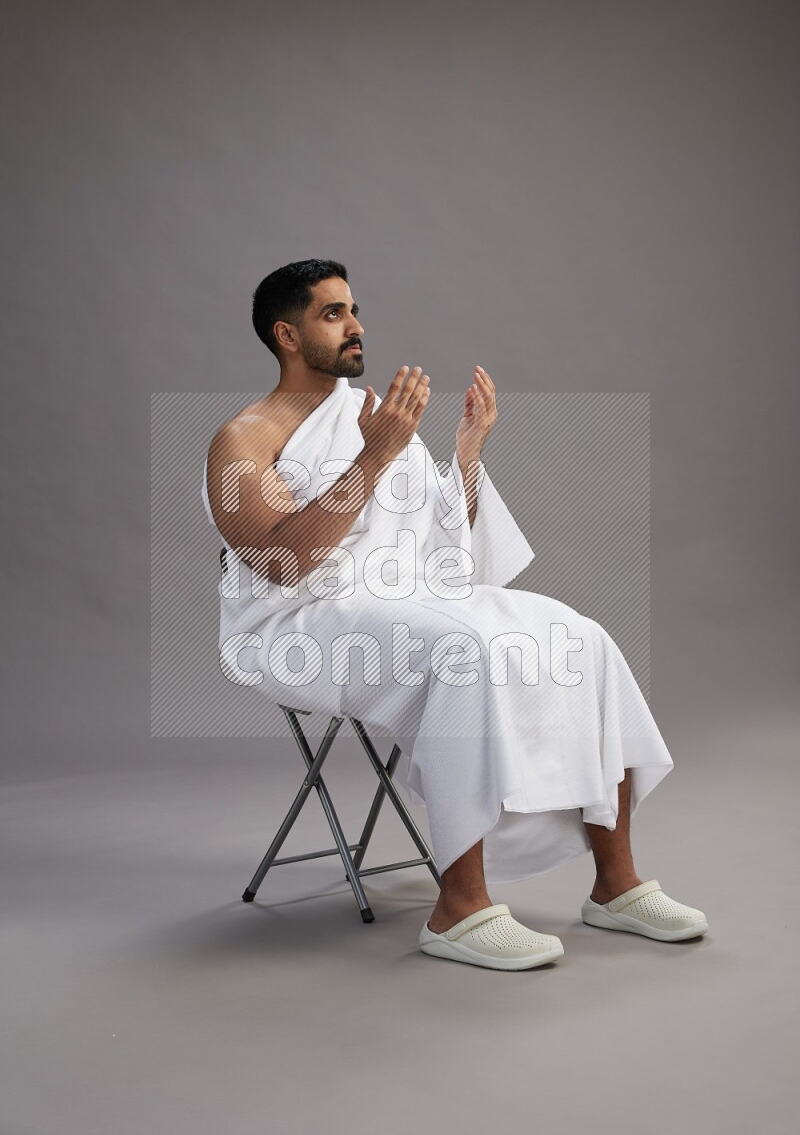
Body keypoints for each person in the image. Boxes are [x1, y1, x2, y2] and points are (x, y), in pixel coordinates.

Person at [200, 258, 708, 971]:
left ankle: (615, 885)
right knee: (461, 651)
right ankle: (458, 909)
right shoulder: (244, 439)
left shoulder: (370, 417)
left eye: (353, 309)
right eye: (333, 313)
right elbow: (285, 562)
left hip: (404, 597)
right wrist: (375, 456)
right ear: (287, 334)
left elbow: (440, 549)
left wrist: (466, 457)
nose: (357, 326)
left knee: (581, 638)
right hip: (302, 624)